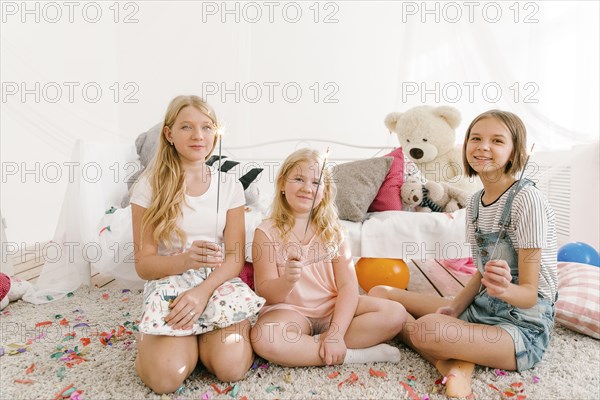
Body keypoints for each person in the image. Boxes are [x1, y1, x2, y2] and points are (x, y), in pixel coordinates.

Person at [369, 110, 558, 397]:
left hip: (521, 326)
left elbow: (531, 294)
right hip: (479, 310)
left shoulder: (526, 199)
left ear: (514, 151)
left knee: (425, 330)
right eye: (476, 138)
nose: (483, 146)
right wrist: (456, 308)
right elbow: (482, 271)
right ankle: (458, 362)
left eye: (497, 140)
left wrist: (505, 289)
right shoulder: (475, 205)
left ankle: (454, 360)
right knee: (380, 293)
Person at [131, 95, 252, 394]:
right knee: (165, 378)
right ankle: (163, 345)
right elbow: (145, 265)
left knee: (231, 368)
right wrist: (186, 260)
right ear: (169, 134)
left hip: (216, 280)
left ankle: (204, 338)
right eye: (186, 127)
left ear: (215, 133)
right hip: (170, 279)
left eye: (206, 127)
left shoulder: (230, 186)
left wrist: (202, 293)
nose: (198, 136)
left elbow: (234, 258)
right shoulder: (148, 186)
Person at [250, 148, 408, 367]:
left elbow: (348, 287)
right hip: (289, 312)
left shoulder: (333, 231)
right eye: (298, 179)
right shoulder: (265, 232)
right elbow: (266, 292)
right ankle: (353, 356)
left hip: (331, 309)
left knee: (395, 313)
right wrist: (287, 281)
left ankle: (310, 347)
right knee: (264, 338)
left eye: (316, 183)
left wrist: (335, 333)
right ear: (282, 184)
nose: (307, 188)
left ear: (324, 192)